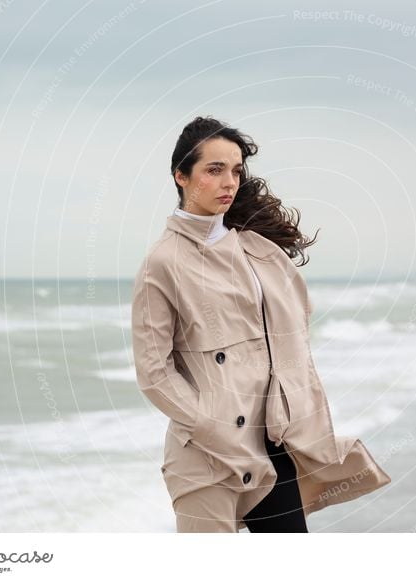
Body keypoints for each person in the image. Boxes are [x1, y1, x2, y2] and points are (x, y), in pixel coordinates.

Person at [131, 115, 391, 533]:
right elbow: (154, 373)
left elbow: (290, 340)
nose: (229, 182)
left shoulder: (257, 249)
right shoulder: (161, 264)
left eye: (235, 170)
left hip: (274, 441)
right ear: (181, 176)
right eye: (213, 170)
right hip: (208, 453)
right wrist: (211, 426)